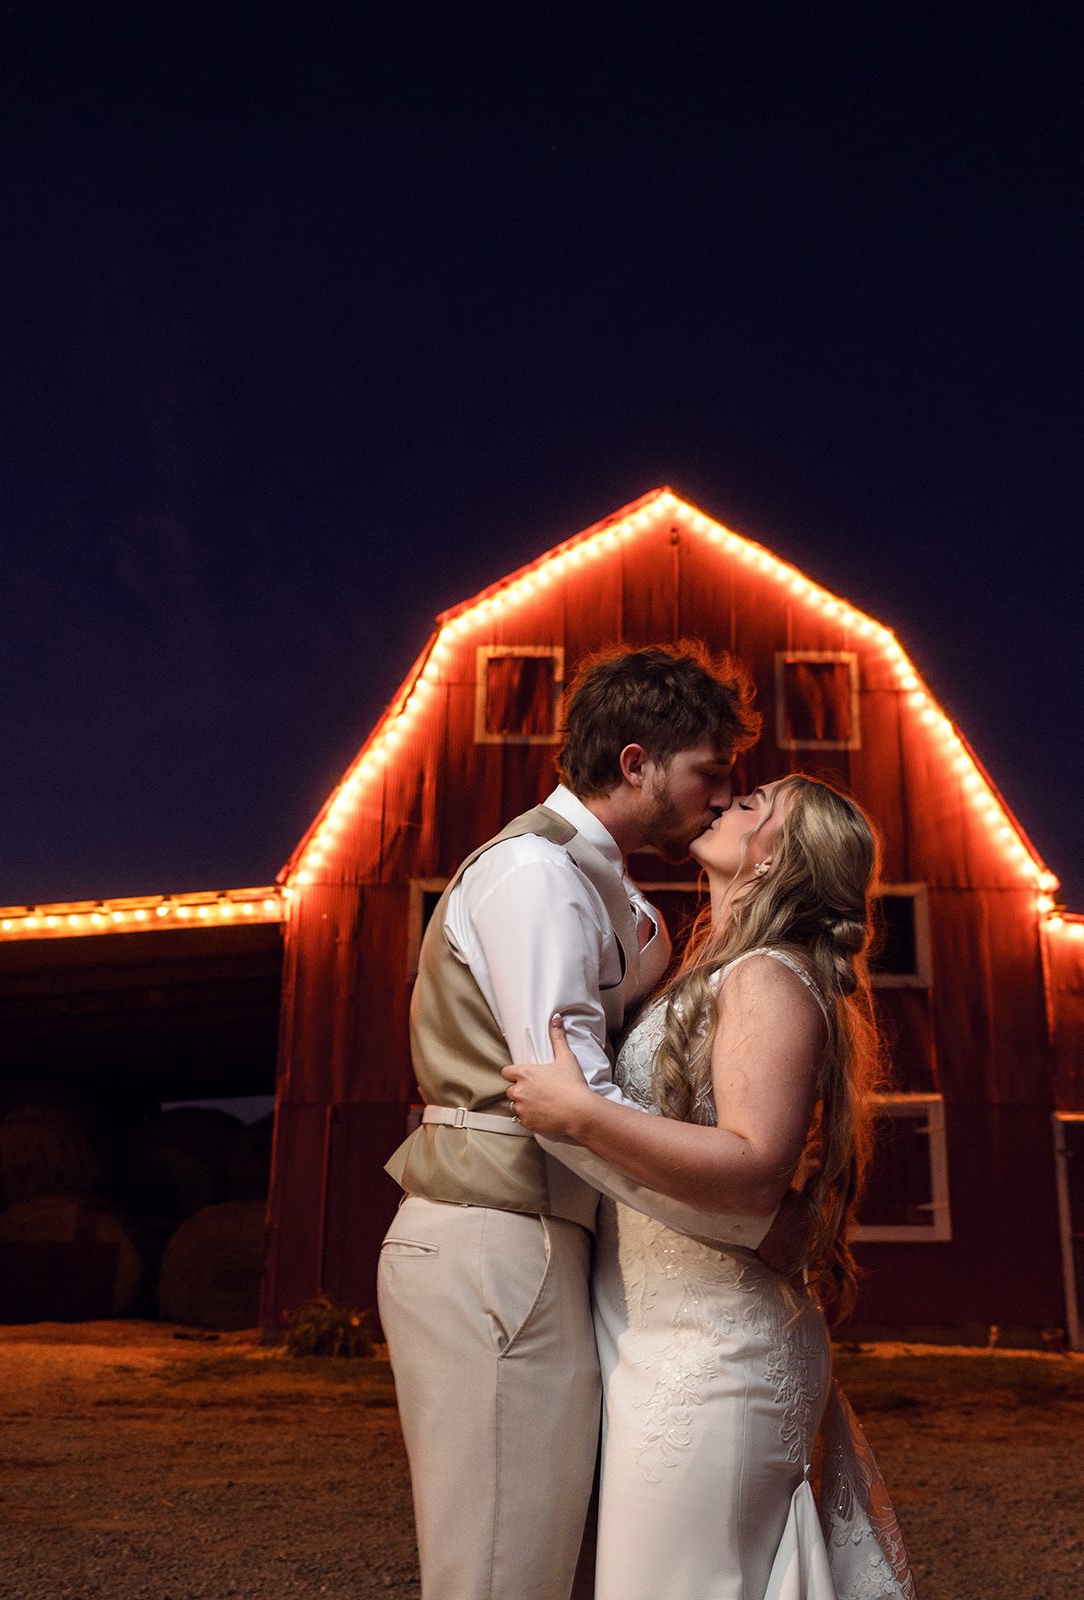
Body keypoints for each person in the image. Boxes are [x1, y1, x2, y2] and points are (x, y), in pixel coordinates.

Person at [378, 640, 774, 1600]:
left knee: (539, 1565)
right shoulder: (534, 878)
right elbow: (567, 1106)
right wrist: (739, 1224)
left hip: (549, 1241)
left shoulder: (620, 897)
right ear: (635, 763)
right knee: (500, 1576)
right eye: (708, 774)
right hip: (495, 1239)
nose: (723, 798)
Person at [504, 773, 917, 1599]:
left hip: (716, 1358)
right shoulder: (718, 974)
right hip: (662, 1338)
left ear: (778, 863)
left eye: (755, 805)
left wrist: (581, 1115)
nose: (729, 802)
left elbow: (756, 1165)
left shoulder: (767, 977)